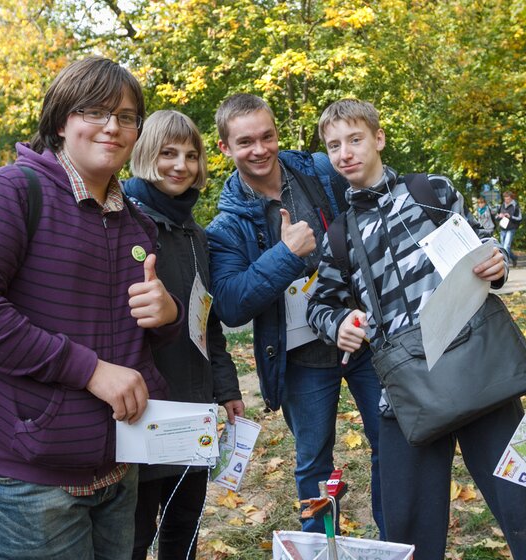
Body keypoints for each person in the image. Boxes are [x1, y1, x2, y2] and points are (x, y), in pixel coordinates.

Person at [0, 57, 182, 559]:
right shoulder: (8, 194)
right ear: (62, 120)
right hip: (27, 479)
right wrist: (90, 370)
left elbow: (134, 334)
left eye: (127, 116)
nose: (113, 126)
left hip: (118, 465)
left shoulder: (135, 221)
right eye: (96, 111)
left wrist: (167, 315)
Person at [308, 98, 526, 560]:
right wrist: (339, 323)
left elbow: (485, 246)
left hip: (476, 362)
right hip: (407, 388)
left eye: (355, 139)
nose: (345, 153)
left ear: (378, 138)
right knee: (406, 522)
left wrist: (496, 262)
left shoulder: (430, 191)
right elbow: (320, 305)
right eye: (334, 146)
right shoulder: (340, 234)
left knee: (522, 500)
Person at [205, 94, 384, 535]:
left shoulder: (320, 171)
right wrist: (286, 255)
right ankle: (320, 547)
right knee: (313, 462)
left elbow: (372, 204)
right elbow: (230, 305)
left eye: (267, 136)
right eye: (245, 142)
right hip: (302, 358)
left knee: (391, 442)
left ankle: (395, 539)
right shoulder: (226, 225)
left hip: (363, 335)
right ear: (225, 147)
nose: (260, 149)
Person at [124, 110, 245, 560]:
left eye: (191, 156)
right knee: (134, 537)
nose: (181, 165)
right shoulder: (123, 221)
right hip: (142, 410)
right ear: (145, 154)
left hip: (193, 409)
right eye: (168, 153)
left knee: (185, 530)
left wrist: (226, 388)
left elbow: (206, 320)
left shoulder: (197, 235)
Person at [495, 190, 522, 265]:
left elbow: (520, 218)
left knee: (506, 246)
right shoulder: (502, 205)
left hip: (511, 228)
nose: (506, 200)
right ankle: (514, 257)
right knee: (502, 246)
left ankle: (505, 263)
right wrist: (499, 216)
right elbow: (496, 216)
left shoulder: (515, 206)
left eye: (508, 199)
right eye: (505, 199)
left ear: (511, 198)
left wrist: (510, 217)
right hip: (503, 228)